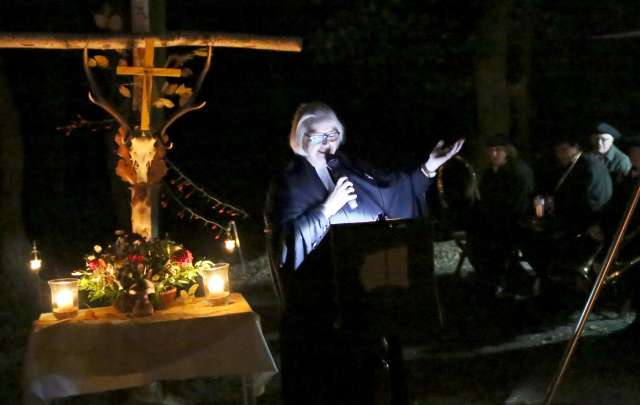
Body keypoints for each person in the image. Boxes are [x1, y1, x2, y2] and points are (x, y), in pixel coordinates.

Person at [264, 102, 464, 405]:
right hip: (322, 311)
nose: (327, 143)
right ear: (300, 138)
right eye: (317, 136)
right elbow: (286, 244)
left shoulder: (349, 167)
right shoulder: (289, 182)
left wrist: (428, 168)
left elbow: (393, 189)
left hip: (369, 299)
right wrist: (327, 210)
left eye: (333, 134)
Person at [466, 133, 535, 296]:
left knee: (492, 243)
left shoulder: (519, 172)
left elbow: (517, 204)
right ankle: (490, 279)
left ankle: (503, 280)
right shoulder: (490, 172)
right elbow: (485, 199)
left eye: (498, 150)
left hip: (515, 222)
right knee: (475, 238)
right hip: (494, 220)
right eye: (491, 150)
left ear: (507, 151)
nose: (493, 154)